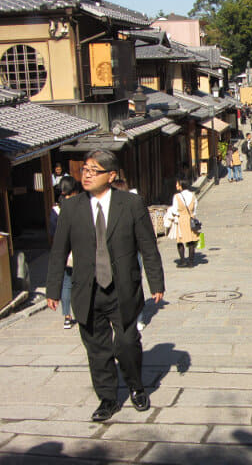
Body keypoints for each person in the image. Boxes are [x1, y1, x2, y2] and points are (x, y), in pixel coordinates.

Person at [46, 149, 164, 422]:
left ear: (111, 176)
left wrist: (155, 281)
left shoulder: (131, 204)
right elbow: (59, 251)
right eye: (84, 169)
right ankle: (107, 399)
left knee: (126, 343)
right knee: (97, 350)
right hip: (86, 290)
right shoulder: (71, 207)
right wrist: (53, 289)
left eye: (93, 170)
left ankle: (136, 387)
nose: (86, 175)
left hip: (122, 288)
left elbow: (147, 245)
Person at [111, 179, 146, 331]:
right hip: (120, 255)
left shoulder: (132, 207)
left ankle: (137, 317)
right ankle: (132, 317)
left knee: (133, 285)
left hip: (132, 253)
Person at [49, 175, 81, 329]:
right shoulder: (78, 205)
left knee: (67, 284)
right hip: (78, 250)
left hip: (63, 253)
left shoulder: (56, 209)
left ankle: (67, 317)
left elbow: (52, 232)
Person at [171, 178, 199, 268]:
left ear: (181, 185)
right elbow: (195, 209)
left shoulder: (177, 197)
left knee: (180, 241)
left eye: (177, 184)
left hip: (181, 219)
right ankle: (191, 262)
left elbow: (175, 210)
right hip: (191, 219)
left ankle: (182, 261)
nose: (176, 186)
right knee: (191, 241)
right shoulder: (193, 195)